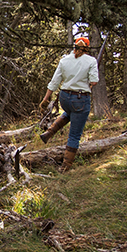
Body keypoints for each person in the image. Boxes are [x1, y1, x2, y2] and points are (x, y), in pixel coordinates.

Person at [39, 36, 100, 172]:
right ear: (87, 48)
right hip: (80, 98)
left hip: (65, 98)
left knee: (70, 112)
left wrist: (46, 98)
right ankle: (65, 167)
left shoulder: (64, 60)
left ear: (75, 47)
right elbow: (94, 81)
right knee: (74, 135)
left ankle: (49, 133)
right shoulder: (91, 60)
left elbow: (54, 82)